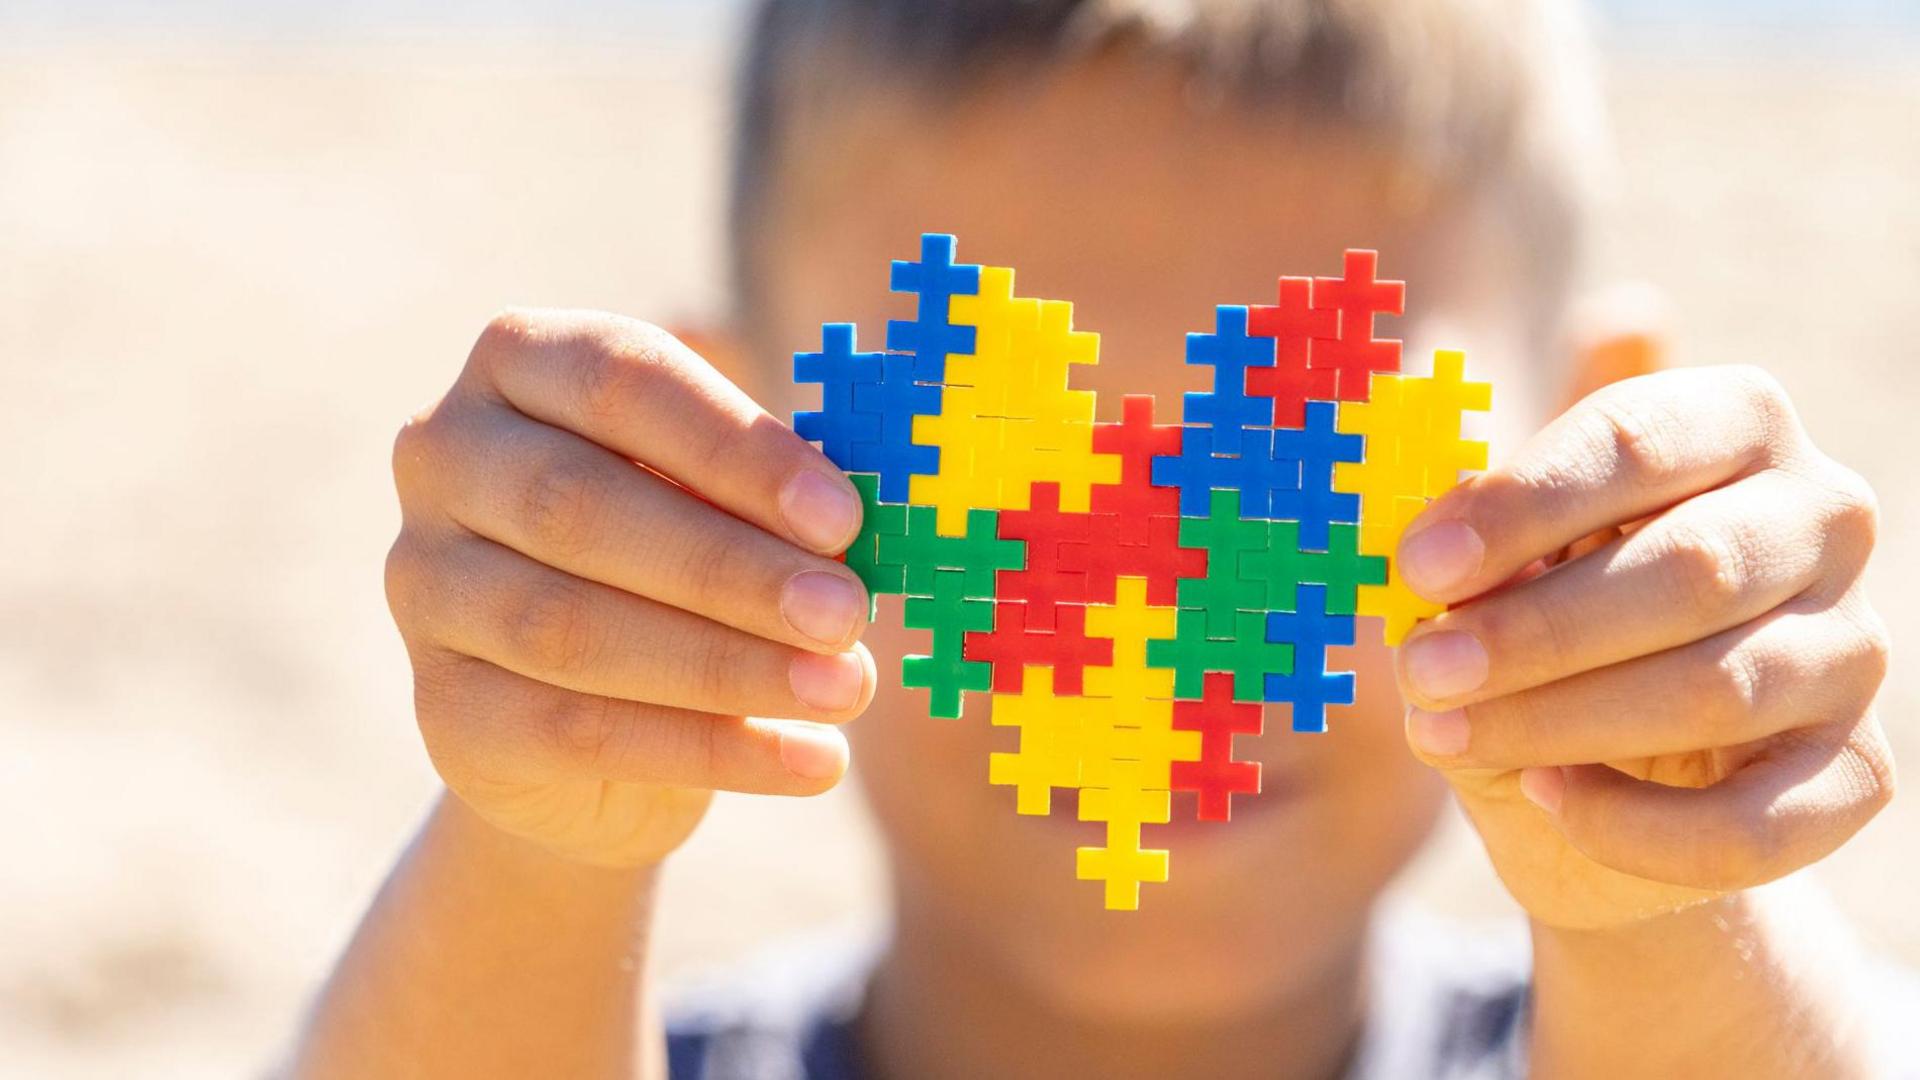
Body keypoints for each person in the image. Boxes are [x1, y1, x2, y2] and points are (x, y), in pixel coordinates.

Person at [293, 2, 1912, 1077]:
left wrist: (1654, 891)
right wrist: (548, 849)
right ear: (712, 461)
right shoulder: (558, 1018)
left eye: (1299, 472)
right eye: (986, 476)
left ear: (1581, 449)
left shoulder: (1671, 1022)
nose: (1143, 625)